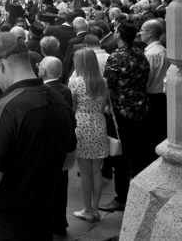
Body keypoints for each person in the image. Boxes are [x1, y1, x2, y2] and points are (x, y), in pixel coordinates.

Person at [0, 32, 76, 241]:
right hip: (40, 225)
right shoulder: (60, 100)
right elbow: (68, 161)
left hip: (0, 228)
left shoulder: (7, 107)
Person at [99, 21, 151, 213]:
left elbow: (107, 84)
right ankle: (138, 193)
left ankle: (122, 197)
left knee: (120, 155)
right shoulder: (140, 53)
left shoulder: (117, 57)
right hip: (141, 108)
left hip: (121, 112)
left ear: (119, 35)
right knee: (138, 154)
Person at [69, 49, 109, 223]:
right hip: (99, 124)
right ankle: (96, 207)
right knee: (97, 171)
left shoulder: (76, 83)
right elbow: (105, 106)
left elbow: (72, 105)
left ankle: (87, 209)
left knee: (85, 171)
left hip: (82, 125)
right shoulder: (103, 82)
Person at [37, 56, 73, 235]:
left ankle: (50, 224)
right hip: (63, 147)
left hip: (47, 148)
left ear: (43, 71)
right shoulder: (65, 90)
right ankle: (60, 222)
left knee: (47, 189)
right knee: (61, 187)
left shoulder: (44, 92)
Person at [140, 19, 170, 154]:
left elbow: (147, 77)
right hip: (161, 95)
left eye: (142, 30)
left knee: (153, 134)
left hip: (152, 96)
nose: (140, 33)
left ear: (150, 33)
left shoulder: (151, 54)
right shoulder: (163, 50)